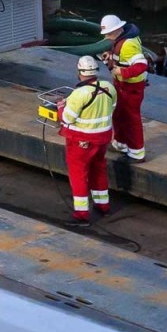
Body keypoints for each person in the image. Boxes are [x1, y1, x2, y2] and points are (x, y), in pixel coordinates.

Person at [59, 56, 118, 224]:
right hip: (103, 137)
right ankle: (103, 205)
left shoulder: (79, 94)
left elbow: (67, 119)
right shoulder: (108, 87)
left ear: (80, 72)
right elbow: (112, 107)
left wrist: (61, 107)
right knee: (98, 169)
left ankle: (81, 214)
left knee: (78, 174)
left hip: (81, 140)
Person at [100, 13, 149, 162]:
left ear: (116, 31)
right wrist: (110, 56)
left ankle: (137, 152)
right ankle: (121, 143)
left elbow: (141, 65)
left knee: (130, 119)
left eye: (108, 34)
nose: (106, 37)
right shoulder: (121, 41)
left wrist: (123, 72)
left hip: (130, 88)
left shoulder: (128, 44)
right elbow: (122, 58)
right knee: (119, 114)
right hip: (121, 87)